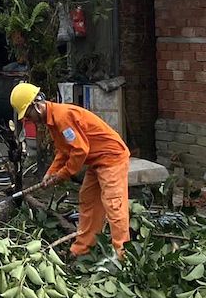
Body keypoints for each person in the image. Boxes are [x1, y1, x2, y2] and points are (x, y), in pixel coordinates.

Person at [10, 82, 131, 260]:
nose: (30, 120)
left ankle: (122, 256)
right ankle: (82, 250)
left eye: (29, 115)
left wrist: (62, 175)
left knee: (113, 204)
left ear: (37, 105)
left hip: (111, 158)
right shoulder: (52, 121)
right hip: (97, 160)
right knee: (88, 199)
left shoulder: (62, 117)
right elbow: (64, 151)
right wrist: (50, 173)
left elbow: (80, 151)